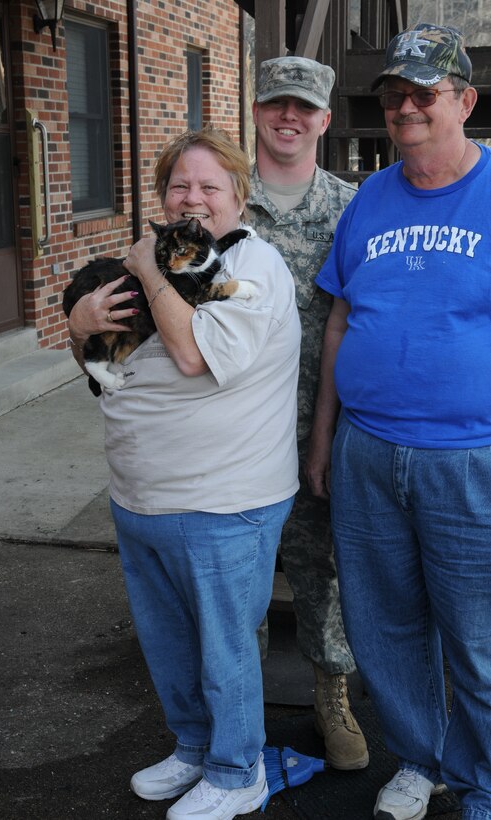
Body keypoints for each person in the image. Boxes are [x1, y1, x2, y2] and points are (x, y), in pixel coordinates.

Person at [67, 126, 301, 820]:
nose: (191, 199)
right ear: (162, 196)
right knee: (169, 645)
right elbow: (105, 375)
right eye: (179, 187)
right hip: (141, 497)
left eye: (208, 186)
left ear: (239, 195)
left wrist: (146, 269)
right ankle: (195, 749)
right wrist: (80, 325)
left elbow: (196, 355)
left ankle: (237, 773)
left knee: (223, 650)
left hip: (223, 500)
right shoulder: (163, 265)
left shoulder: (249, 268)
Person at [311, 22, 491, 820]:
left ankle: (485, 782)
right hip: (367, 452)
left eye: (424, 93)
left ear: (464, 101)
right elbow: (342, 323)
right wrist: (322, 438)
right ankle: (423, 760)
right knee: (384, 627)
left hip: (469, 458)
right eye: (393, 95)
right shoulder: (368, 200)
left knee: (477, 641)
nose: (405, 108)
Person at [245, 55, 369, 770]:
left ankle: (331, 698)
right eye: (275, 105)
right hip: (238, 434)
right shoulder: (222, 200)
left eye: (303, 107)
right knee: (241, 579)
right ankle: (236, 710)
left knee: (323, 573)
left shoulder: (354, 207)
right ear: (257, 112)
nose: (288, 117)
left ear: (323, 119)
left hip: (322, 427)